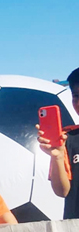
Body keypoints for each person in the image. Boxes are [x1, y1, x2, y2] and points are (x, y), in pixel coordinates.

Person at [38, 67, 79, 219]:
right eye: (76, 96)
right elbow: (62, 191)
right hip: (74, 231)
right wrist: (57, 156)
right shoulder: (67, 138)